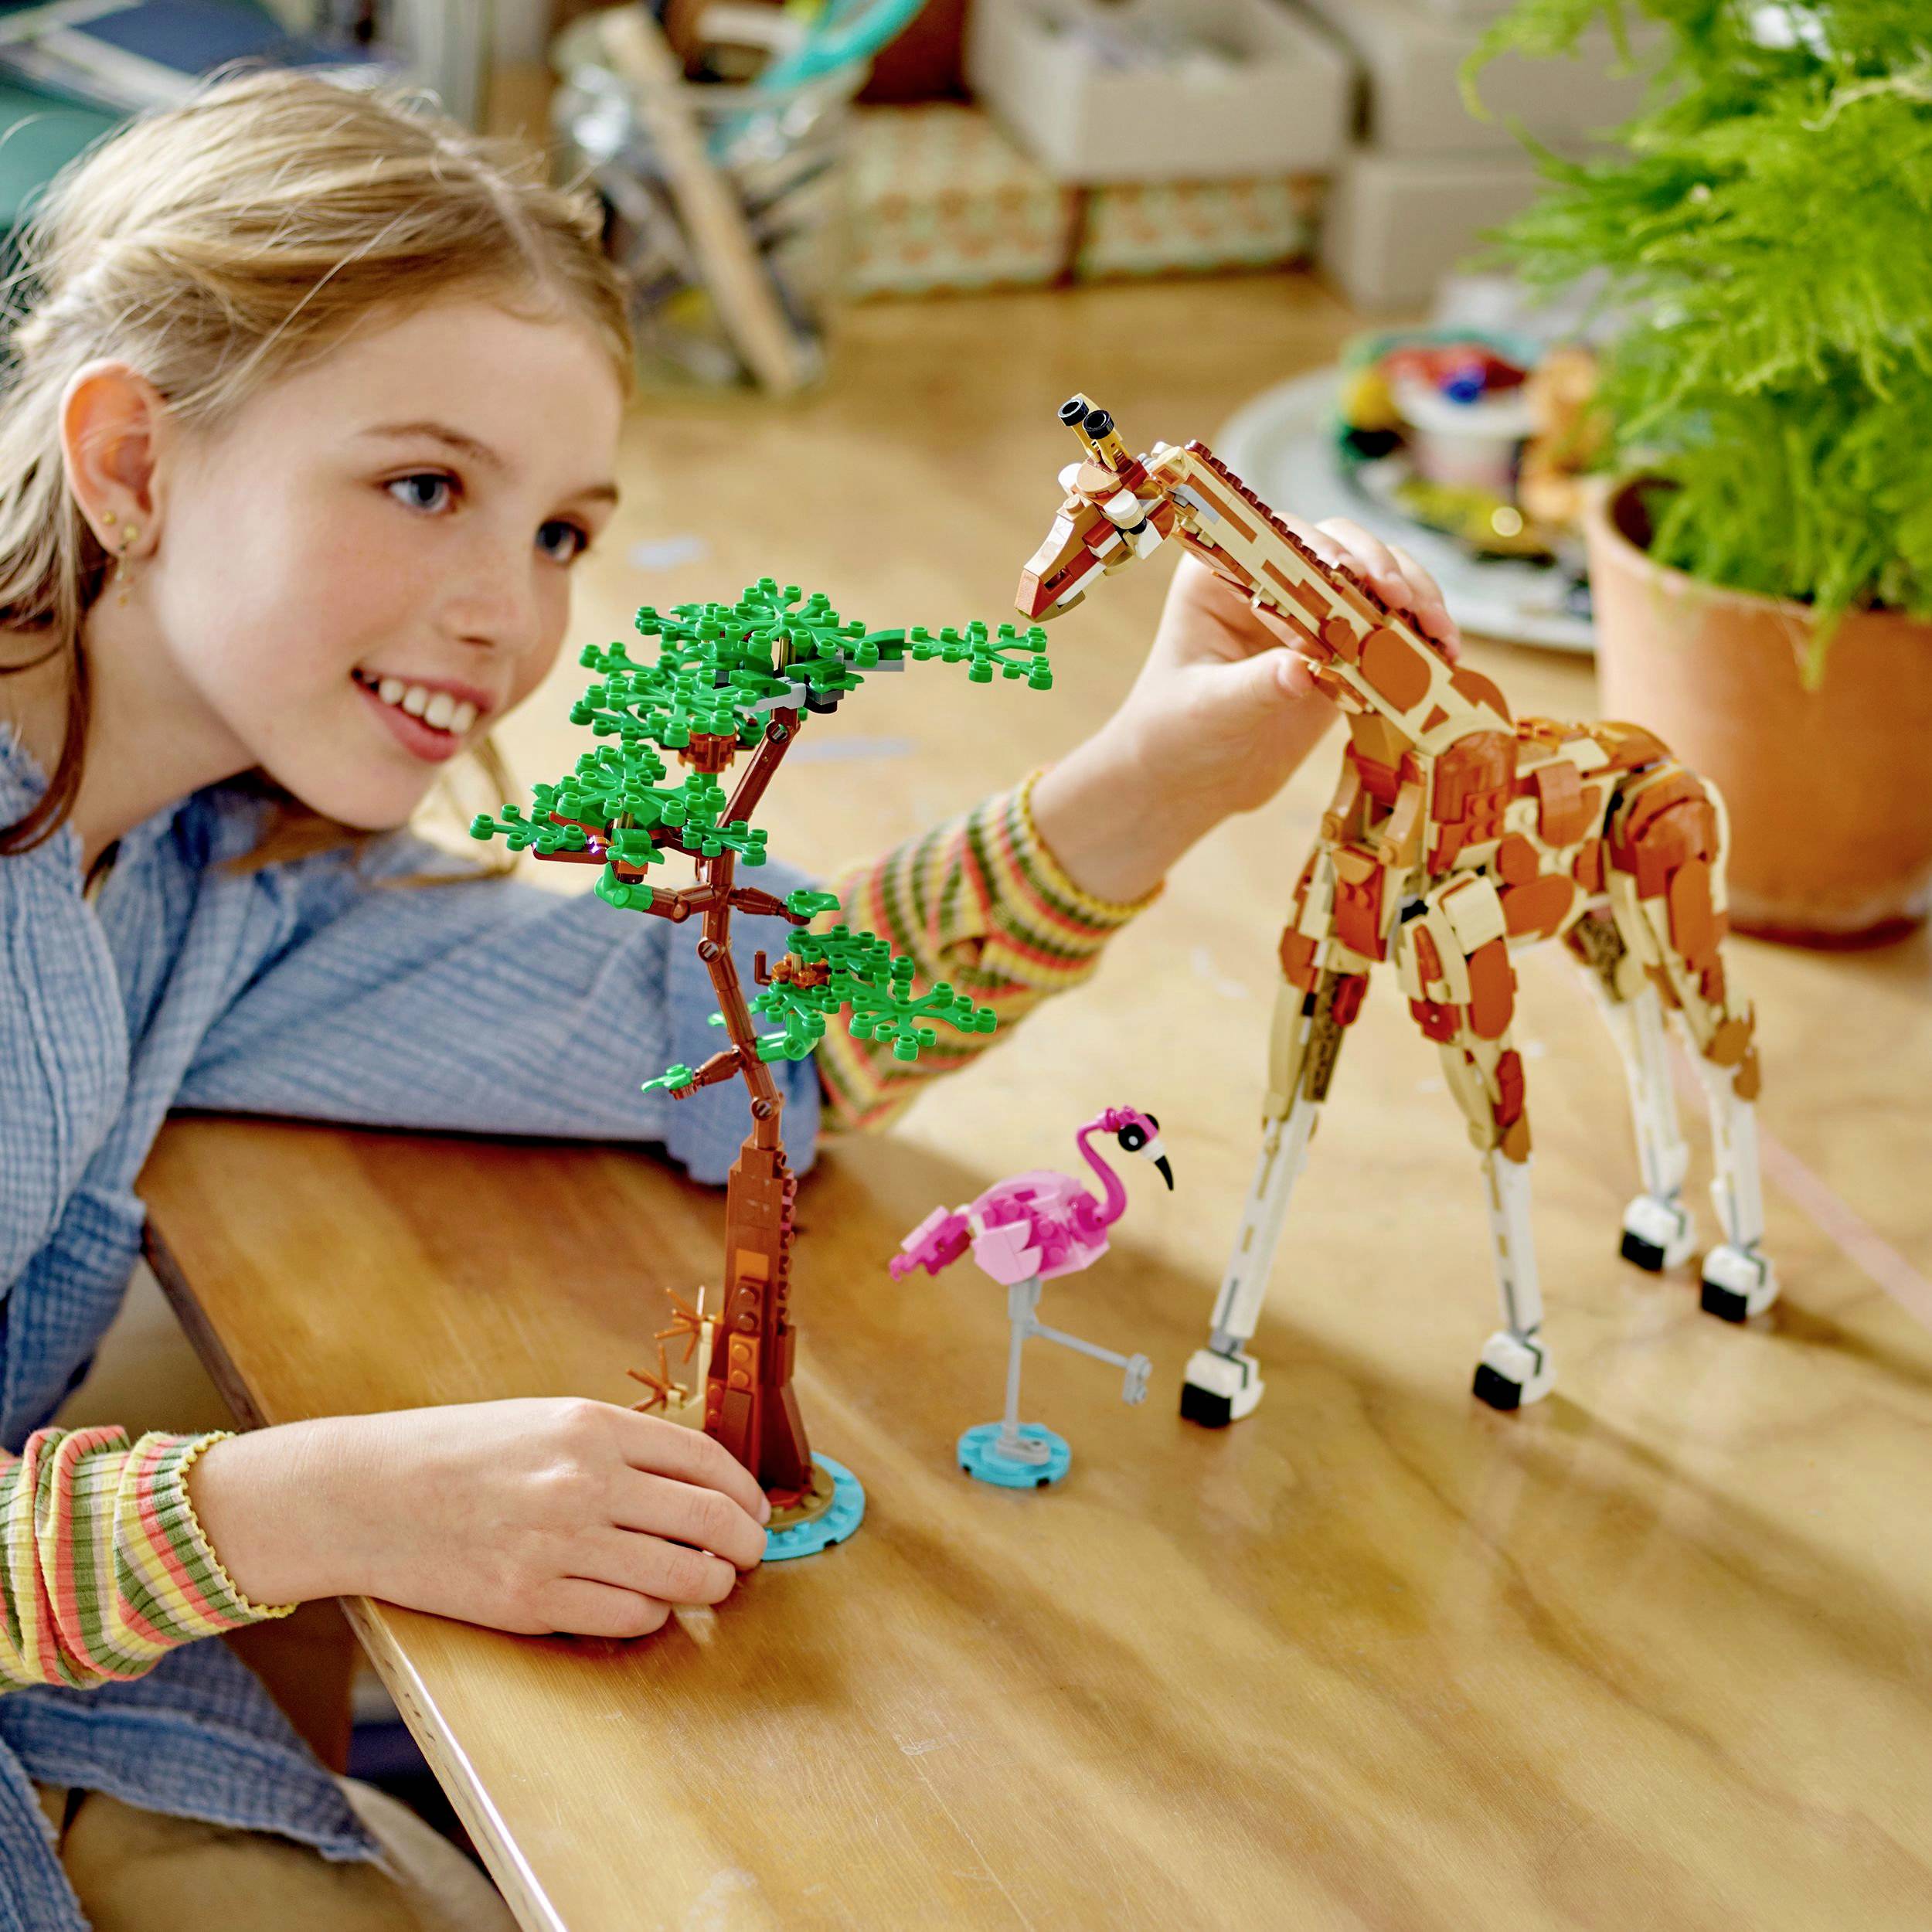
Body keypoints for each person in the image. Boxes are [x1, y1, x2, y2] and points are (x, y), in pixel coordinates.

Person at [0, 70, 1458, 1930]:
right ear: (133, 462)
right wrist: (311, 1509)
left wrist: (1163, 768)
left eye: (558, 534)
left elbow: (741, 1028)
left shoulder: (226, 871)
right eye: (425, 484)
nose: (505, 618)